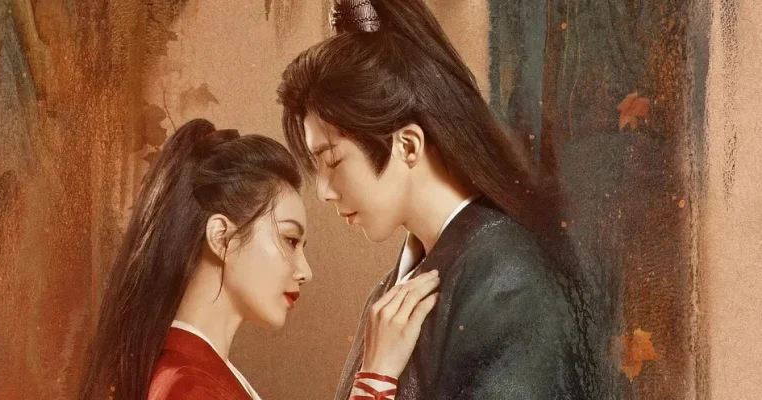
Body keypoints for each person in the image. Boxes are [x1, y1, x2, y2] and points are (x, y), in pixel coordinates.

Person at [277, 0, 598, 398]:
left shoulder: (510, 282)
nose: (323, 191)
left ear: (407, 145)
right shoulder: (395, 292)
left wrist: (375, 382)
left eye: (332, 161)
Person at [78, 118, 439, 400]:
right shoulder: (188, 386)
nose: (305, 271)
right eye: (289, 239)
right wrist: (375, 378)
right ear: (221, 237)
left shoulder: (199, 372)